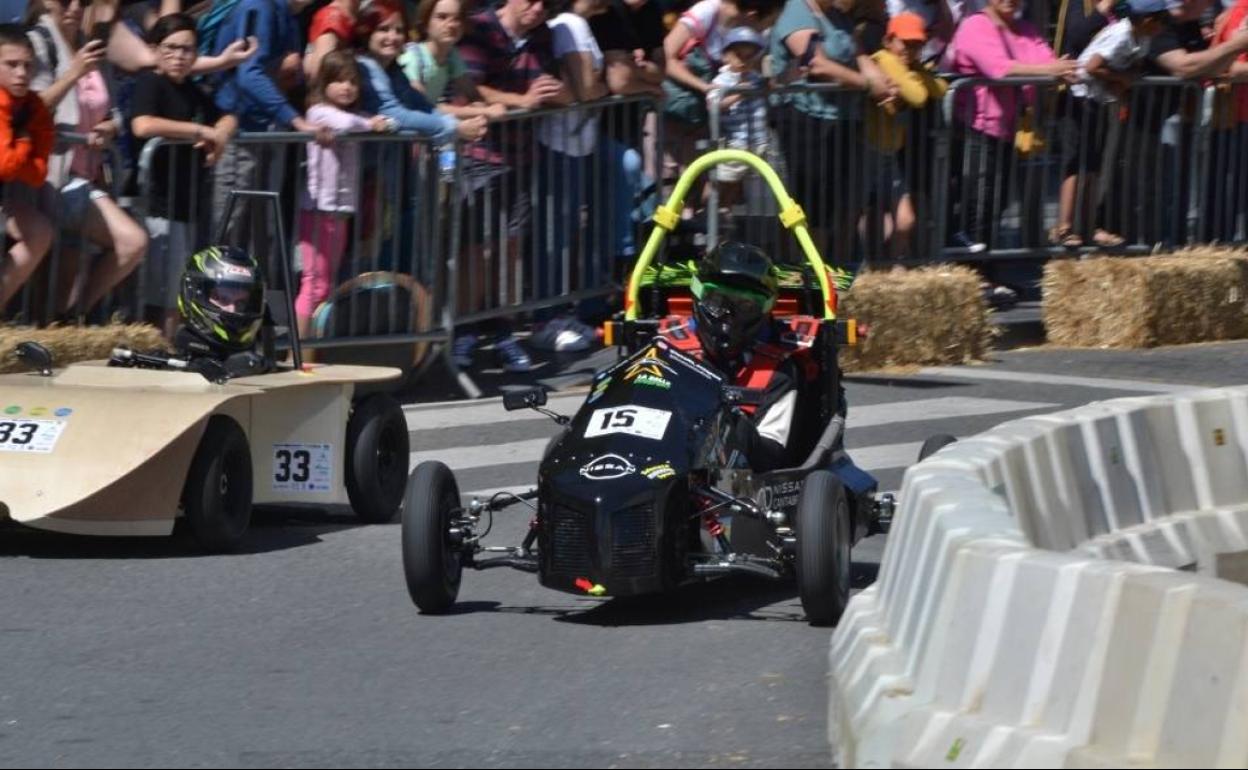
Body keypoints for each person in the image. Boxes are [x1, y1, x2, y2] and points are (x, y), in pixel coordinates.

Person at [660, 241, 833, 472]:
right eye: (716, 301)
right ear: (698, 293)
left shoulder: (778, 373)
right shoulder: (666, 350)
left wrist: (732, 424)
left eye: (746, 306)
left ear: (766, 309)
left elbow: (772, 457)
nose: (728, 316)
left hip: (734, 486)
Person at [129, 12, 239, 339]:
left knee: (174, 291)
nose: (179, 56)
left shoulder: (192, 90)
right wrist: (198, 130)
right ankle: (154, 352)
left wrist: (218, 136)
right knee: (157, 293)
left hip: (185, 204)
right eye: (171, 48)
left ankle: (166, 350)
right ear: (154, 49)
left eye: (187, 50)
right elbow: (142, 124)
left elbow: (229, 117)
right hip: (156, 203)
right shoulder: (151, 82)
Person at [296, 50, 394, 344]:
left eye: (352, 81)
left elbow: (371, 120)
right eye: (338, 81)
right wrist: (371, 124)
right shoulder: (319, 113)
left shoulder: (354, 115)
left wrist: (380, 121)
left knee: (325, 285)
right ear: (324, 83)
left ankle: (314, 346)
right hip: (318, 210)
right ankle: (297, 351)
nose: (347, 87)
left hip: (339, 211)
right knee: (314, 284)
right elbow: (344, 125)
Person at [1053, 0, 1168, 250]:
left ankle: (1088, 225)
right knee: (1077, 163)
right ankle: (1064, 227)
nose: (1163, 26)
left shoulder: (1142, 38)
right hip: (1079, 95)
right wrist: (1120, 78)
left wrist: (1126, 78)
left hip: (1099, 98)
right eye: (1161, 19)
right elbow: (1092, 66)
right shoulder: (1122, 34)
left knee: (1094, 164)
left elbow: (1133, 65)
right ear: (1148, 20)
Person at [863, 11, 946, 261]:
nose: (909, 50)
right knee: (871, 219)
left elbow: (941, 88)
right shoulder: (883, 60)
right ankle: (871, 272)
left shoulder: (908, 67)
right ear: (889, 40)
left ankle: (893, 273)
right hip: (867, 153)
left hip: (889, 154)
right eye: (905, 43)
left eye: (916, 45)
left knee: (905, 220)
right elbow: (920, 96)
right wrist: (917, 78)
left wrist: (915, 74)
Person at [0, 23, 54, 313]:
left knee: (40, 231)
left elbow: (38, 173)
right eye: (12, 65)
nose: (22, 73)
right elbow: (7, 165)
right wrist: (22, 141)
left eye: (27, 65)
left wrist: (17, 151)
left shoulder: (33, 107)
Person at [706, 26, 769, 212]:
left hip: (756, 140)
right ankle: (712, 215)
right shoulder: (722, 79)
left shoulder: (755, 77)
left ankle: (726, 214)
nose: (744, 61)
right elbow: (713, 104)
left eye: (749, 57)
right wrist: (739, 94)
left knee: (739, 184)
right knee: (725, 181)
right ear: (726, 56)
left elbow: (769, 87)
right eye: (739, 56)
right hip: (734, 141)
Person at [175, 244, 267, 366]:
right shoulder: (174, 366)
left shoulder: (254, 361)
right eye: (223, 299)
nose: (232, 309)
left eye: (241, 303)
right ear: (194, 293)